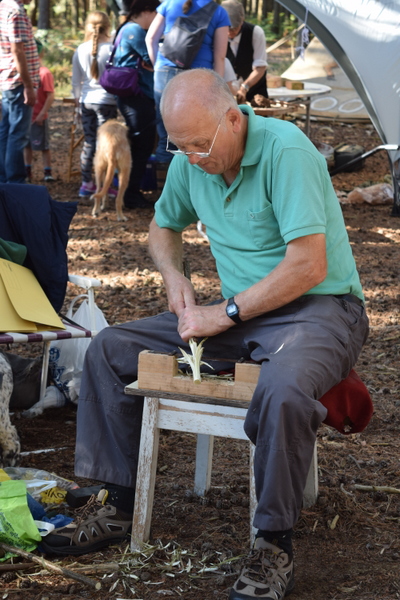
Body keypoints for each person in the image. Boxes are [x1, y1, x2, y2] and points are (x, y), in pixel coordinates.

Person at [41, 69, 369, 600]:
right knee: (110, 349)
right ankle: (117, 503)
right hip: (245, 313)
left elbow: (309, 265)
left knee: (283, 390)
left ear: (234, 119)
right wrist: (175, 277)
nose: (191, 157)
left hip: (321, 308)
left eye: (199, 144)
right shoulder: (192, 160)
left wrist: (224, 313)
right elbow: (162, 226)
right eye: (179, 145)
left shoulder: (287, 152)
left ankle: (272, 544)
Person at [145, 0, 229, 188]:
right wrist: (219, 88)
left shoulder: (168, 4)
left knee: (166, 136)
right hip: (199, 77)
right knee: (198, 137)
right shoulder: (219, 12)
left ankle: (165, 194)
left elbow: (150, 39)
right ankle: (192, 191)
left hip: (165, 73)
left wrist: (158, 66)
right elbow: (220, 57)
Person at [112, 0, 160, 210]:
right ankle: (131, 194)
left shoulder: (125, 27)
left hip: (131, 95)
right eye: (157, 14)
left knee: (137, 144)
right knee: (142, 145)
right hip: (137, 96)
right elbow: (152, 59)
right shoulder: (136, 30)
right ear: (147, 11)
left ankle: (128, 191)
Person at [72, 11, 118, 199]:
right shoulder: (112, 49)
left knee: (90, 143)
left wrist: (77, 105)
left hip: (87, 102)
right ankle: (105, 185)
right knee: (106, 145)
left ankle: (86, 184)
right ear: (108, 27)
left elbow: (76, 82)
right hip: (107, 102)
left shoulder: (80, 49)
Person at [0, 0, 39, 183]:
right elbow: (17, 51)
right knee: (18, 134)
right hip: (18, 81)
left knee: (6, 130)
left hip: (8, 78)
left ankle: (3, 178)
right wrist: (28, 86)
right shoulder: (15, 12)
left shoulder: (3, 6)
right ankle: (15, 181)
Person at [221, 0, 268, 104]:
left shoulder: (255, 33)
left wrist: (244, 87)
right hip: (227, 95)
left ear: (242, 21)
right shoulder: (217, 34)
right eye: (227, 28)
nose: (229, 32)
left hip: (255, 94)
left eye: (234, 29)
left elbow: (260, 68)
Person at [24, 39, 55, 183]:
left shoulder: (44, 73)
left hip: (39, 117)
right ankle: (27, 171)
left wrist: (42, 113)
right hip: (27, 117)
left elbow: (50, 95)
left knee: (43, 146)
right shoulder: (24, 74)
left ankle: (47, 172)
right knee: (27, 146)